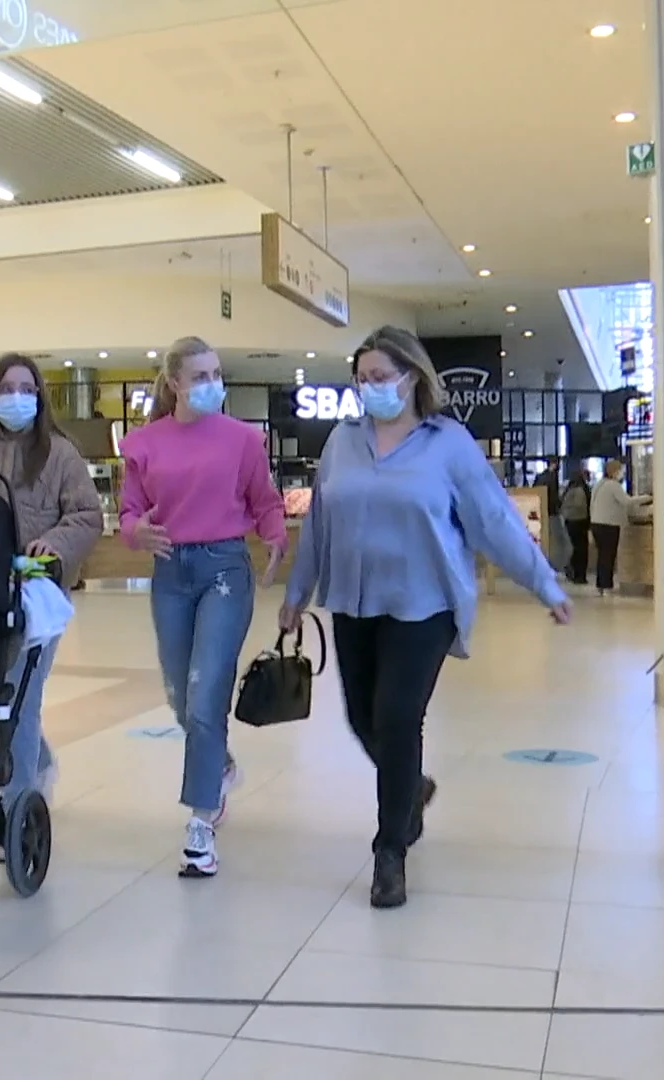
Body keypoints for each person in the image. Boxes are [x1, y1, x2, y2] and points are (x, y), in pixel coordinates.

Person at [281, 326, 570, 909]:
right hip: (355, 602)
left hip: (425, 603)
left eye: (381, 377)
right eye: (362, 379)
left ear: (412, 378)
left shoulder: (448, 443)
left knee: (395, 715)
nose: (370, 389)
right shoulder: (342, 441)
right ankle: (410, 788)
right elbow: (319, 525)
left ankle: (390, 851)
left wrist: (543, 582)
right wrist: (296, 594)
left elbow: (494, 519)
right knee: (361, 717)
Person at [120, 336, 286, 879]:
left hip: (224, 570)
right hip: (170, 573)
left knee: (206, 687)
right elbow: (129, 511)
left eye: (216, 373)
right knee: (178, 693)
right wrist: (135, 532)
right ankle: (220, 764)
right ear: (174, 384)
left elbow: (264, 500)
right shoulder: (143, 444)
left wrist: (275, 539)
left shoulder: (243, 439)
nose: (212, 383)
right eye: (199, 376)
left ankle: (200, 820)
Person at [0, 353, 102, 818]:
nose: (17, 397)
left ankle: (17, 808)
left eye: (26, 389)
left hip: (36, 596)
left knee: (20, 697)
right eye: (7, 388)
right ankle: (40, 762)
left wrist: (53, 545)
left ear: (39, 397)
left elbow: (87, 515)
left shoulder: (58, 453)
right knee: (5, 696)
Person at [589, 459, 636, 596]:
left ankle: (601, 585)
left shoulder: (599, 484)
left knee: (602, 555)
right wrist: (646, 498)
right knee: (608, 555)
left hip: (596, 524)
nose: (622, 473)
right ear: (615, 471)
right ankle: (606, 585)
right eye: (621, 470)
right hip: (609, 525)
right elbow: (626, 501)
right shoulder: (613, 485)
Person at [560, 470, 592, 585]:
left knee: (576, 548)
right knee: (581, 549)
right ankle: (579, 575)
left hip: (570, 522)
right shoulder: (580, 490)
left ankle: (572, 571)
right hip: (579, 522)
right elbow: (581, 506)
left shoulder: (569, 489)